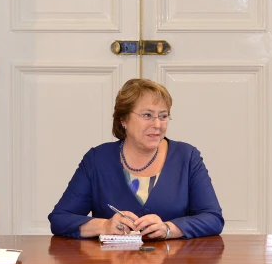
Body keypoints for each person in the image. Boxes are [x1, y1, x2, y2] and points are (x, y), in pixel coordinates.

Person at [48, 78, 224, 239]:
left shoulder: (187, 157)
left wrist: (168, 228)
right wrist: (104, 225)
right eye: (147, 115)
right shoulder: (97, 159)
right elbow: (60, 219)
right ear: (123, 119)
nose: (157, 125)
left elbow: (213, 218)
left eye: (163, 116)